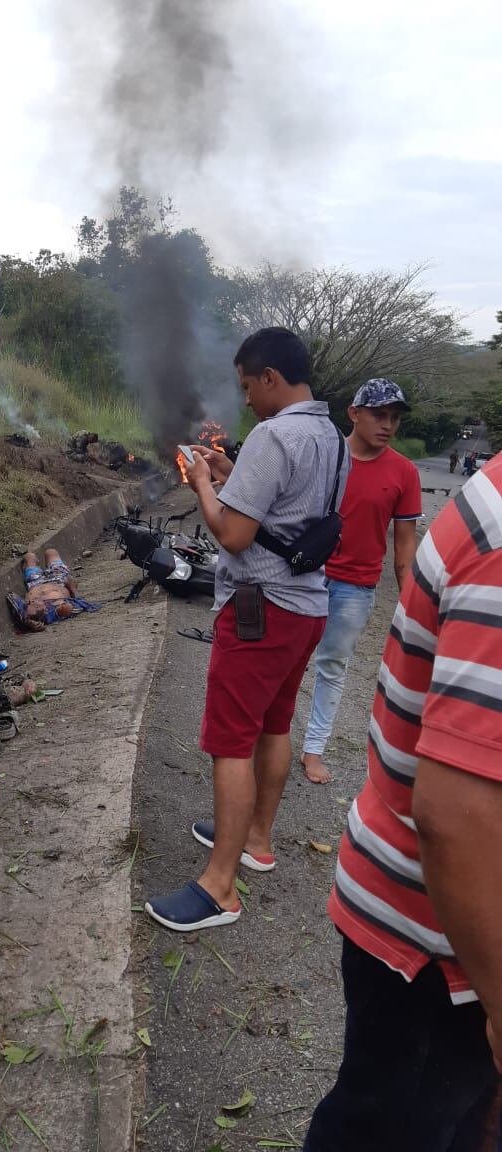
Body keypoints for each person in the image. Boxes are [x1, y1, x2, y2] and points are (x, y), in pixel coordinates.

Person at [304, 451, 502, 1152]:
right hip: (442, 951)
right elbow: (456, 818)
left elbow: (403, 538)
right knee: (391, 1124)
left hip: (455, 946)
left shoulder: (436, 484)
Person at [145, 327, 349, 934]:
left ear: (270, 378)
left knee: (230, 741)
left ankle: (220, 887)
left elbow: (232, 534)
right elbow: (290, 507)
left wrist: (205, 484)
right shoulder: (332, 437)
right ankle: (257, 838)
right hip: (309, 608)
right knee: (273, 724)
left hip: (261, 609)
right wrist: (234, 470)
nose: (246, 402)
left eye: (247, 387)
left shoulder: (274, 433)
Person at [300, 379, 421, 784]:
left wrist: (413, 610)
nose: (387, 425)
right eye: (378, 415)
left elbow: (405, 549)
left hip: (355, 587)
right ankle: (266, 738)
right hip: (304, 575)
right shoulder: (325, 455)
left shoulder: (404, 473)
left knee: (332, 665)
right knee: (286, 658)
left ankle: (313, 749)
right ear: (354, 413)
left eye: (394, 418)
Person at [7, 548, 98, 632]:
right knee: (51, 552)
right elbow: (76, 603)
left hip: (35, 581)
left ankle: (37, 565)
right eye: (36, 605)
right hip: (58, 579)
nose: (33, 601)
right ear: (45, 610)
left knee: (29, 557)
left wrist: (26, 620)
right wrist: (72, 588)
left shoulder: (25, 609)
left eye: (29, 603)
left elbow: (12, 596)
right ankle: (47, 566)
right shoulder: (56, 609)